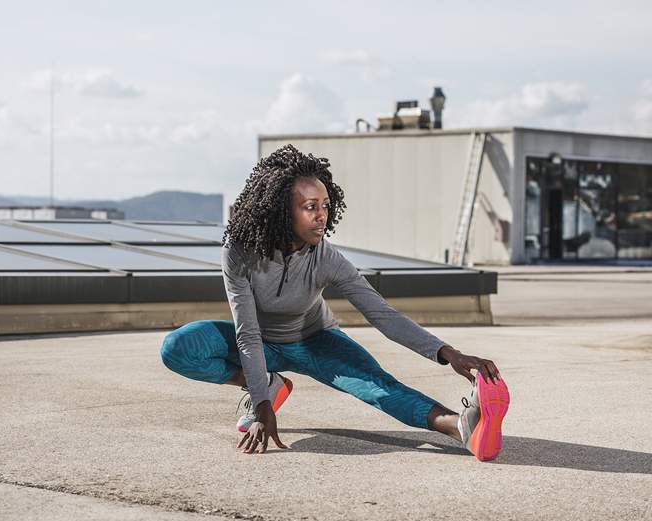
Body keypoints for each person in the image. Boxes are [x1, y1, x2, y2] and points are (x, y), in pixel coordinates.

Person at [160, 144, 510, 461]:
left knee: (378, 387)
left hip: (316, 342)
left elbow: (381, 314)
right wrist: (263, 403)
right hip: (260, 343)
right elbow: (248, 333)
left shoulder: (327, 259)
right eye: (310, 207)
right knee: (179, 346)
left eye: (325, 205)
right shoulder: (239, 252)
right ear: (283, 210)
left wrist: (448, 353)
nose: (321, 215)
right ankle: (267, 384)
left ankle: (462, 426)